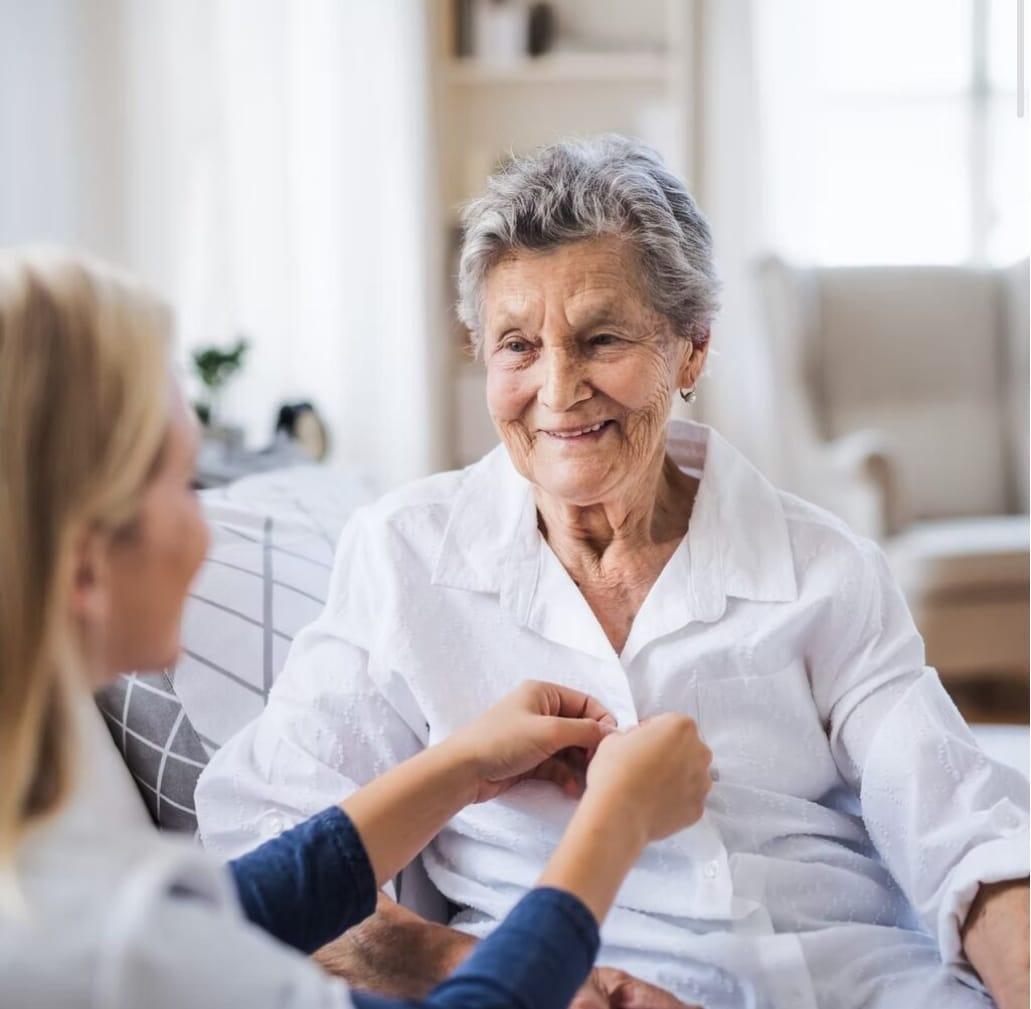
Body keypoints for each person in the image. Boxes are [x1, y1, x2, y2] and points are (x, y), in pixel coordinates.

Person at [197, 136, 1030, 1009]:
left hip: (851, 983)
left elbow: (963, 834)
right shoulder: (404, 556)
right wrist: (479, 967)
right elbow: (269, 846)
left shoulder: (824, 567)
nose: (558, 390)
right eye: (518, 346)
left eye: (601, 339)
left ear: (692, 349)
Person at [0, 249, 716, 1009]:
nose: (210, 532)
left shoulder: (66, 882)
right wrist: (614, 822)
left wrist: (459, 766)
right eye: (182, 486)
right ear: (84, 566)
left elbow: (234, 909)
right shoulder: (80, 940)